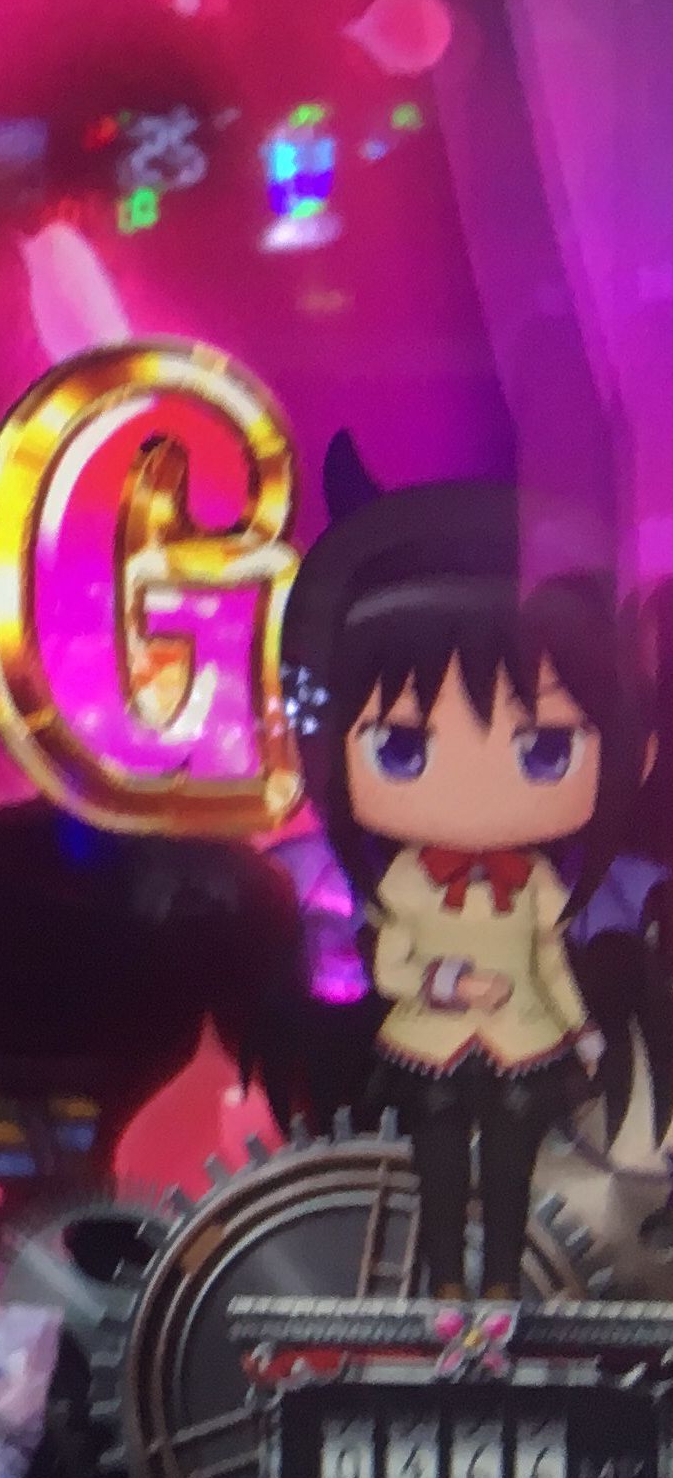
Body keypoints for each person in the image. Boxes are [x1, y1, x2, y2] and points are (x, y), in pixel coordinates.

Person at [278, 433, 652, 1299]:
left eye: (546, 750)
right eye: (401, 748)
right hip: (430, 1047)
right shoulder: (403, 883)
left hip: (524, 1048)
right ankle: (445, 1286)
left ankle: (500, 1289)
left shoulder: (546, 887)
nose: (476, 792)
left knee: (515, 1169)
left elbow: (550, 964)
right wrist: (445, 983)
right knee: (437, 1168)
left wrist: (584, 1036)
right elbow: (390, 966)